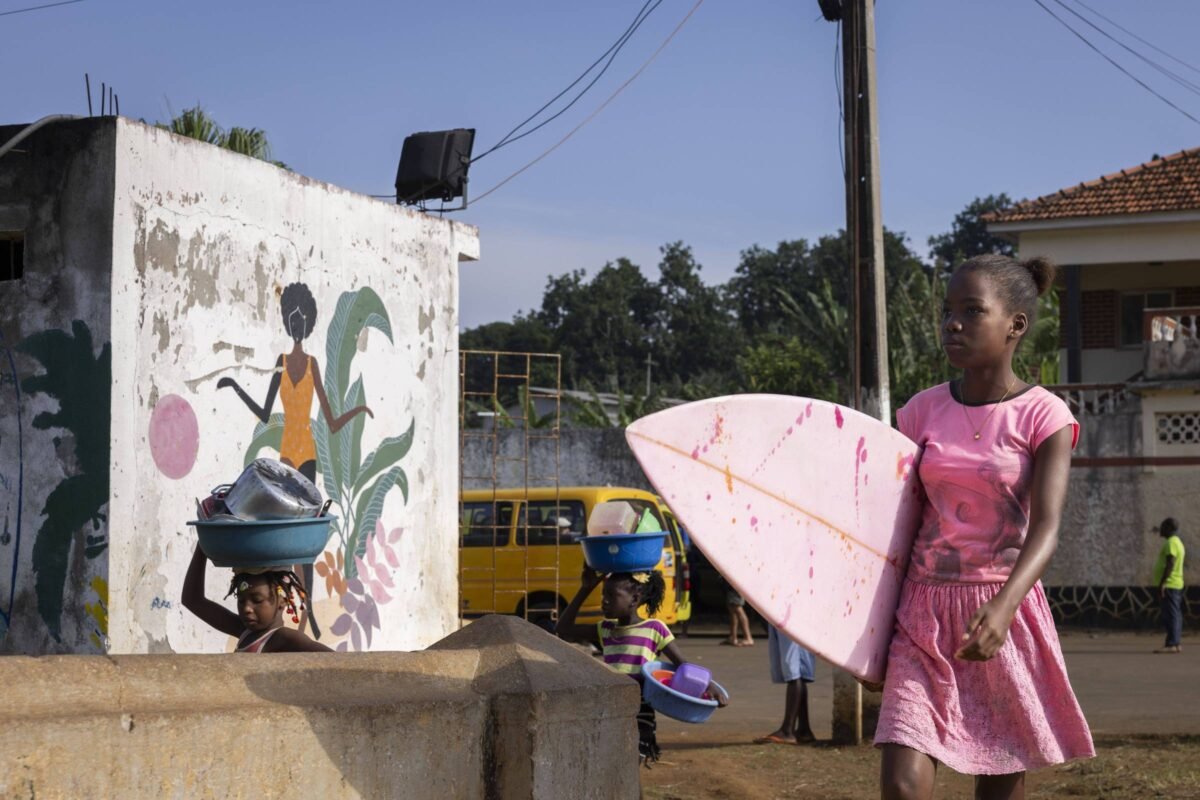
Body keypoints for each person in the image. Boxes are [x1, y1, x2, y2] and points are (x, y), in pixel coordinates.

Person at [875, 254, 1094, 800]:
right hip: (920, 613)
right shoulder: (919, 412)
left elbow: (1047, 526)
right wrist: (868, 632)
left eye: (972, 311)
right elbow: (891, 527)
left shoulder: (1045, 416)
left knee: (997, 780)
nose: (953, 324)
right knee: (901, 784)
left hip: (1002, 611)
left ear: (1015, 325)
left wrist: (1003, 608)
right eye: (948, 311)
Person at [217, 282, 372, 638]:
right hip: (286, 461)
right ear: (288, 323)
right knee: (287, 541)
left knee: (305, 544)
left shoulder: (313, 364)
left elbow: (330, 419)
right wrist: (235, 387)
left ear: (309, 323)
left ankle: (308, 615)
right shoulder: (281, 363)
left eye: (302, 319)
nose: (297, 324)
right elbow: (265, 410)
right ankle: (300, 612)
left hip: (308, 459)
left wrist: (356, 411)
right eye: (292, 318)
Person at [557, 566, 728, 766]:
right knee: (612, 762)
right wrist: (585, 589)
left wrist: (709, 685)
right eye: (603, 594)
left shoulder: (654, 628)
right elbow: (563, 628)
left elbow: (684, 666)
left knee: (633, 761)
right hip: (610, 705)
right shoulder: (605, 629)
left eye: (612, 595)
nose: (604, 600)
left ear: (634, 598)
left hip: (641, 708)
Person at [182, 544, 331, 653]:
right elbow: (193, 600)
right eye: (241, 600)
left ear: (282, 601)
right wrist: (202, 547)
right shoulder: (244, 631)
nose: (247, 608)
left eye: (257, 600)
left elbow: (334, 660)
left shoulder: (284, 638)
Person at [755, 624, 816, 745]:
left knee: (793, 670)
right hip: (789, 616)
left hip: (792, 617)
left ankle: (787, 730)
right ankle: (804, 730)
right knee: (796, 670)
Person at [1153, 517, 1185, 654]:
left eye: (1162, 526)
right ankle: (1175, 643)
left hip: (1170, 584)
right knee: (1175, 614)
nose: (1160, 529)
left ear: (1168, 528)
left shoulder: (1171, 543)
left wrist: (1162, 583)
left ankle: (1172, 644)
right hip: (1175, 584)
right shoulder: (1177, 542)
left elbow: (1170, 564)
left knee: (1171, 615)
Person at [724, 580, 754, 647]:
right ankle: (733, 636)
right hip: (733, 584)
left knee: (737, 607)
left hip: (736, 583)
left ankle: (748, 637)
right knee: (732, 608)